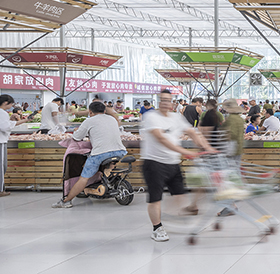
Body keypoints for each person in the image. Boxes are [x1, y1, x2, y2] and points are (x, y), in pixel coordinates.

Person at [141, 90, 214, 242]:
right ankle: (157, 228)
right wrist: (185, 152)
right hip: (154, 163)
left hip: (173, 163)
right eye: (162, 100)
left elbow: (192, 132)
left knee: (180, 195)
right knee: (155, 199)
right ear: (159, 101)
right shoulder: (151, 117)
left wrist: (207, 147)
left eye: (168, 100)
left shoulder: (176, 117)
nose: (165, 103)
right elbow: (161, 138)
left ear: (173, 102)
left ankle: (170, 218)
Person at [52, 101, 127, 208]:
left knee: (84, 178)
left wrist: (78, 131)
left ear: (90, 112)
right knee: (108, 167)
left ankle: (66, 201)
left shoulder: (89, 121)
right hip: (120, 151)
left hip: (101, 153)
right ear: (104, 111)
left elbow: (77, 137)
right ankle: (105, 184)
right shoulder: (112, 119)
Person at [1, 94, 33, 197]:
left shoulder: (3, 113)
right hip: (1, 141)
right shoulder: (2, 113)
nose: (11, 106)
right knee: (2, 166)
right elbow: (5, 128)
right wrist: (25, 120)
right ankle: (1, 190)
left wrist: (11, 119)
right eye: (11, 104)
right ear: (6, 103)